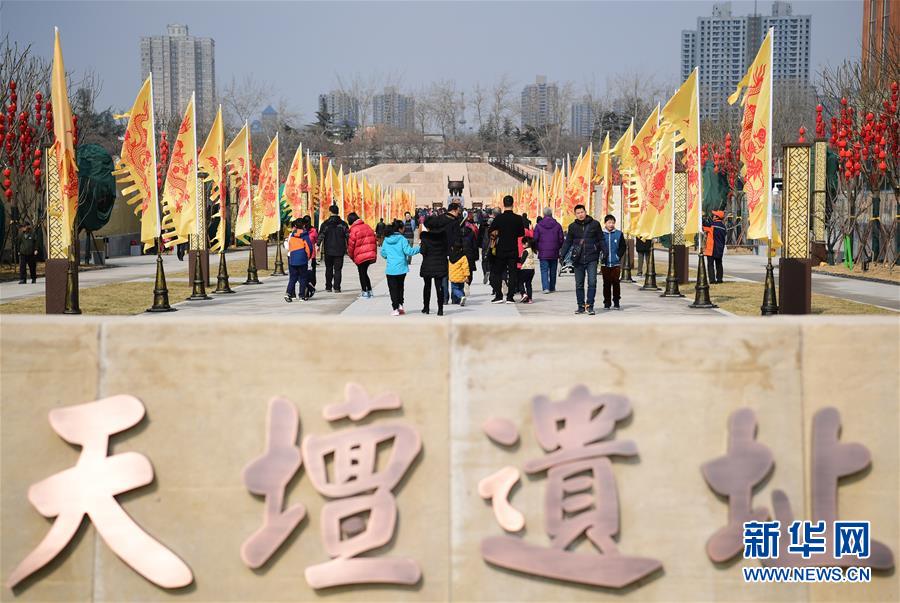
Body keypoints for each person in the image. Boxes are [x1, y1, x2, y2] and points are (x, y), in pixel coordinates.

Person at [560, 204, 603, 315]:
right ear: (575, 214)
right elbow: (568, 242)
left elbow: (601, 239)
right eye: (578, 213)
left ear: (585, 211)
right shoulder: (572, 227)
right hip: (578, 259)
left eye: (582, 212)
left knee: (592, 282)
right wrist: (562, 254)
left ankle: (590, 305)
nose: (580, 214)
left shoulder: (595, 224)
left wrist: (605, 252)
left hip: (592, 258)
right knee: (579, 284)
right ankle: (580, 306)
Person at [489, 195, 525, 303]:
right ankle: (510, 297)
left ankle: (499, 295)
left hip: (501, 249)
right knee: (513, 273)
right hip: (513, 249)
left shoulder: (499, 218)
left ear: (503, 204)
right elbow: (521, 233)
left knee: (497, 273)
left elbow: (491, 231)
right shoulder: (518, 218)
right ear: (513, 204)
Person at [380, 219, 420, 316]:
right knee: (400, 287)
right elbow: (409, 252)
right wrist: (420, 248)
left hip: (390, 269)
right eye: (403, 228)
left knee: (392, 289)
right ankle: (400, 305)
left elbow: (383, 253)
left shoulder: (386, 239)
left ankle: (395, 308)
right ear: (400, 229)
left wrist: (388, 256)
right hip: (401, 268)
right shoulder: (402, 239)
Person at [419, 216, 449, 315]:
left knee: (427, 286)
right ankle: (440, 309)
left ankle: (426, 307)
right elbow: (447, 250)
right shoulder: (444, 236)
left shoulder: (425, 237)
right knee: (439, 287)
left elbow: (423, 251)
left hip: (428, 263)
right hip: (440, 263)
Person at [599, 214, 627, 310]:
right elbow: (598, 246)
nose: (611, 224)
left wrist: (618, 255)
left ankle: (616, 302)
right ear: (605, 223)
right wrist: (601, 255)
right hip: (605, 263)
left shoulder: (619, 234)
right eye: (609, 222)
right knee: (606, 283)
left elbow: (623, 246)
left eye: (612, 222)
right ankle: (607, 302)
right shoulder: (601, 234)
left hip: (616, 263)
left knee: (616, 283)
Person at [318, 205, 349, 293]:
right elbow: (348, 236)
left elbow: (321, 235)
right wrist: (349, 247)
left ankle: (328, 287)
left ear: (330, 212)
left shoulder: (325, 224)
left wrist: (317, 245)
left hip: (328, 250)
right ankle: (337, 287)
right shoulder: (343, 224)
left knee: (328, 268)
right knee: (338, 269)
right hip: (340, 250)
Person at [533, 207, 564, 294]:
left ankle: (545, 288)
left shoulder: (538, 226)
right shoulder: (557, 225)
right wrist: (559, 247)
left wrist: (537, 248)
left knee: (544, 270)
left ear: (543, 214)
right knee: (553, 269)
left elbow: (535, 238)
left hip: (543, 251)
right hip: (554, 250)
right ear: (551, 214)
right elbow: (561, 239)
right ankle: (552, 287)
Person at [347, 212, 377, 299]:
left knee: (362, 273)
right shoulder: (367, 227)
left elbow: (351, 245)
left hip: (360, 255)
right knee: (364, 273)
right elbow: (374, 241)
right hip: (369, 254)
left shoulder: (354, 230)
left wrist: (351, 255)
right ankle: (369, 291)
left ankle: (365, 292)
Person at [284, 219, 312, 302]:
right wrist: (308, 257)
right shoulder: (305, 235)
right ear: (303, 225)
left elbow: (289, 246)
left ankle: (288, 293)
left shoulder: (292, 235)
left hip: (293, 258)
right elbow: (309, 248)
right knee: (303, 277)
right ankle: (301, 295)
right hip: (302, 258)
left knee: (292, 278)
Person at [703, 210, 727, 284]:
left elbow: (704, 227)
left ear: (717, 217)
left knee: (710, 264)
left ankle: (712, 280)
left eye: (714, 215)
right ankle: (719, 279)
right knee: (719, 264)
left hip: (711, 248)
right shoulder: (723, 227)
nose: (713, 216)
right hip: (720, 248)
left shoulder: (712, 225)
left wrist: (702, 218)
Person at [518, 236, 537, 303]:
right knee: (528, 284)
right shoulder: (532, 250)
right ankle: (530, 299)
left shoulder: (526, 251)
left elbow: (522, 261)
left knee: (520, 282)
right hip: (532, 270)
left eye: (523, 243)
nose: (522, 245)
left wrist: (517, 259)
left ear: (526, 243)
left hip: (525, 269)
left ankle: (523, 294)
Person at [303, 215, 318, 297]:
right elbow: (316, 240)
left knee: (303, 273)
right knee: (312, 273)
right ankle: (311, 287)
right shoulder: (313, 231)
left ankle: (307, 288)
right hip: (311, 255)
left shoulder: (301, 231)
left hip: (303, 255)